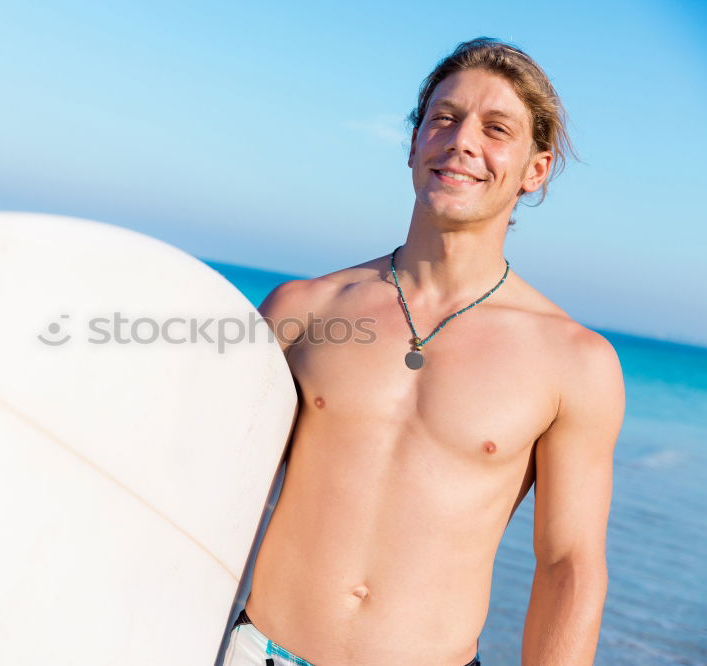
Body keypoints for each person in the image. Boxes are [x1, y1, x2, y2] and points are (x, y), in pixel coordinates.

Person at [221, 37, 626, 665]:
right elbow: (211, 486)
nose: (462, 141)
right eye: (444, 118)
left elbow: (567, 565)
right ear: (414, 144)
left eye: (496, 129)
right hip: (257, 650)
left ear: (535, 170)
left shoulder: (573, 361)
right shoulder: (302, 311)